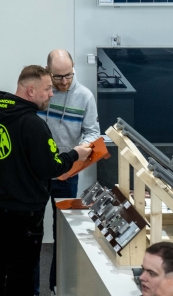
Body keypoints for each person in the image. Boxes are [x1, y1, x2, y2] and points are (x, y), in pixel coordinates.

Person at [0, 65, 92, 295]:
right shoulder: (34, 125)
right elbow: (51, 167)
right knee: (22, 271)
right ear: (31, 91)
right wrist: (75, 154)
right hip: (25, 213)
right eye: (47, 89)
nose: (51, 94)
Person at [37, 48, 102, 292]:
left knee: (62, 233)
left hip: (67, 174)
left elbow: (93, 131)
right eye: (58, 77)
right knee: (32, 231)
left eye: (68, 75)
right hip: (39, 172)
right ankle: (32, 288)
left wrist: (81, 149)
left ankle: (57, 285)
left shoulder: (85, 96)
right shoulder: (42, 93)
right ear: (48, 71)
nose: (64, 82)